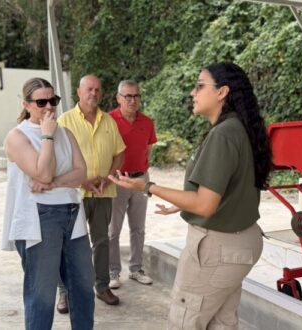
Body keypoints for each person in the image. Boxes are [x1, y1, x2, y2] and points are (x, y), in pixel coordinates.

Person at [109, 63, 272, 329]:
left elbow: (205, 205)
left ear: (222, 92)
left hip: (217, 249)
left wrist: (147, 187)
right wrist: (182, 202)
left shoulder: (223, 134)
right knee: (222, 323)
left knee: (184, 321)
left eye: (199, 86)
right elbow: (224, 192)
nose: (192, 93)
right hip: (240, 243)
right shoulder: (240, 128)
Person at [2, 77, 95, 330]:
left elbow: (81, 173)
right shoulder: (17, 136)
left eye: (53, 100)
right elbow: (42, 172)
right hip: (38, 218)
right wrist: (47, 136)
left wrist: (53, 184)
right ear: (27, 104)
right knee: (41, 294)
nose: (48, 107)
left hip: (73, 213)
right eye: (41, 102)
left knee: (84, 286)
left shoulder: (66, 132)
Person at [56, 74, 126, 310]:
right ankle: (64, 291)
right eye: (89, 89)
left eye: (97, 89)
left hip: (103, 192)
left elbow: (120, 153)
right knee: (67, 243)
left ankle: (102, 286)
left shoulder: (109, 121)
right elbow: (58, 159)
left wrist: (109, 178)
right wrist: (82, 181)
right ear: (79, 92)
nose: (93, 93)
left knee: (102, 241)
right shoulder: (64, 121)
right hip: (73, 194)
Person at [108, 80, 157, 289]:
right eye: (127, 96)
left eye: (136, 96)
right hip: (118, 179)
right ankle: (112, 273)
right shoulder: (109, 120)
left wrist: (143, 173)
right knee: (113, 229)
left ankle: (136, 269)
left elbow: (148, 149)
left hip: (140, 179)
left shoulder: (147, 122)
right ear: (118, 98)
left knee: (138, 228)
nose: (132, 100)